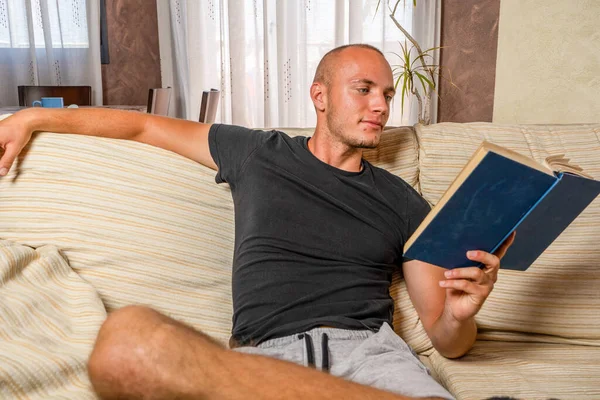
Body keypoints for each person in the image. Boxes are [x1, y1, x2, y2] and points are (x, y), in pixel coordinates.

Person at [0, 44, 515, 400]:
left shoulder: (404, 201)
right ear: (320, 96)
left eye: (386, 92)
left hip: (371, 356)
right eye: (363, 89)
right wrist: (32, 117)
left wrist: (461, 314)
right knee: (129, 341)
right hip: (265, 359)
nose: (381, 105)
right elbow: (140, 126)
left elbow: (446, 338)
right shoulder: (257, 153)